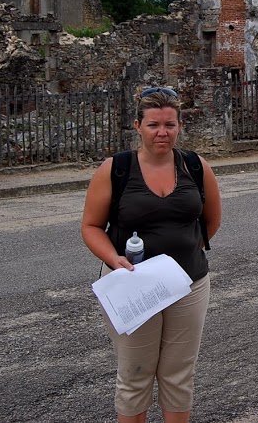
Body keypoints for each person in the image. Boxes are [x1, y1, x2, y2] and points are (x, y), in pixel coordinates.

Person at [82, 87, 222, 423]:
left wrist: (187, 250)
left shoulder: (195, 166)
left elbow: (211, 220)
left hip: (188, 284)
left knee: (178, 373)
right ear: (137, 126)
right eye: (154, 125)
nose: (162, 132)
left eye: (170, 125)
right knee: (135, 374)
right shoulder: (115, 169)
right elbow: (91, 226)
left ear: (179, 126)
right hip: (132, 286)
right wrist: (114, 259)